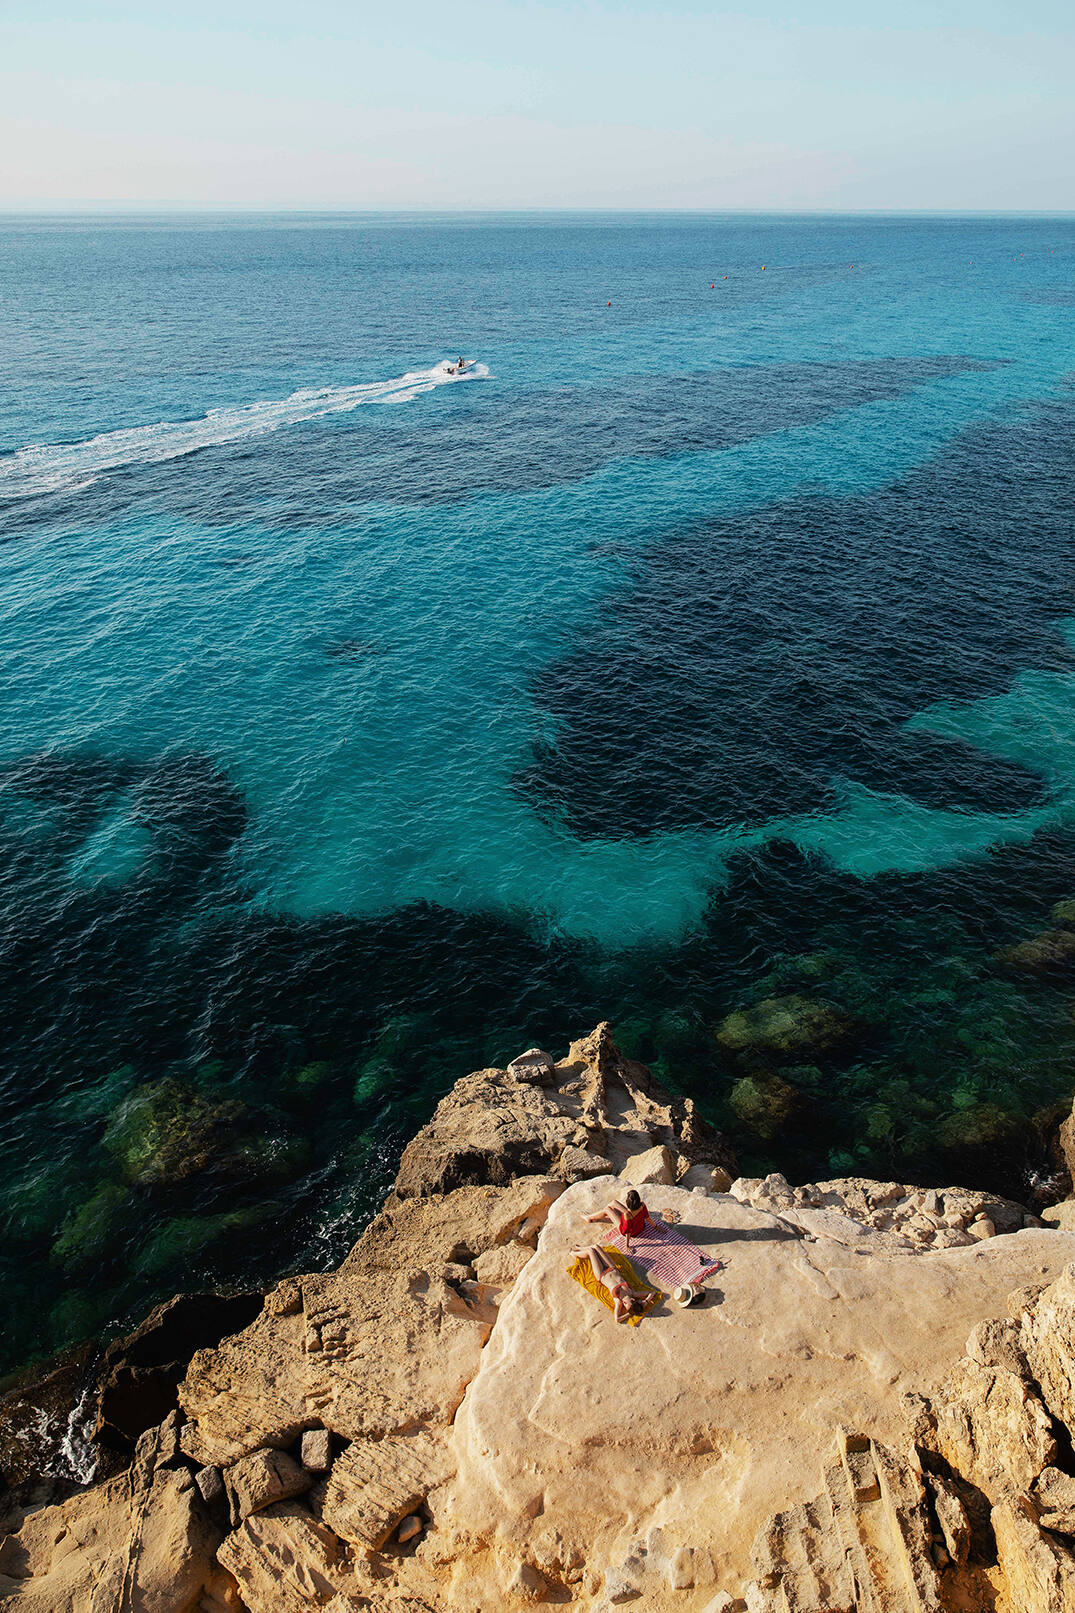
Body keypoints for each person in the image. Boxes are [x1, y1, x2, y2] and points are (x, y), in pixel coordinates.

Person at [571, 1245, 651, 1323]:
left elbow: (617, 1319)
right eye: (627, 1306)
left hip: (601, 1274)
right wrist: (646, 1301)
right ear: (632, 1300)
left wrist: (629, 1314)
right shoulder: (633, 1293)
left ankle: (573, 1253)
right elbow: (652, 1293)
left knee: (591, 1251)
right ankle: (580, 1248)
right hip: (611, 1267)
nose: (624, 1307)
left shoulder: (618, 1301)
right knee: (596, 1247)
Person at [585, 1188, 652, 1250]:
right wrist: (656, 1226)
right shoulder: (642, 1205)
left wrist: (627, 1245)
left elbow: (627, 1232)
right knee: (614, 1202)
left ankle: (589, 1217)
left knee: (607, 1209)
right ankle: (604, 1215)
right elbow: (648, 1218)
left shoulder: (627, 1215)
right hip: (640, 1226)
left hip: (632, 1232)